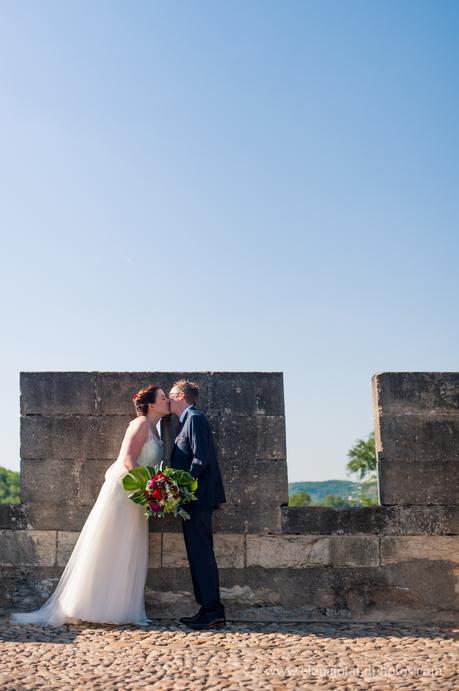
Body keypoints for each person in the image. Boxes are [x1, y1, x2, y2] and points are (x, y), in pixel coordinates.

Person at [10, 385, 169, 627]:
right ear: (151, 404)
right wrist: (150, 487)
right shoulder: (139, 424)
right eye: (163, 397)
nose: (167, 400)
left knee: (127, 549)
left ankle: (119, 608)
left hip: (140, 495)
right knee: (110, 545)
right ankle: (86, 605)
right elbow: (127, 460)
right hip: (126, 491)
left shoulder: (156, 430)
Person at [168, 379, 227, 630]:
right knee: (197, 553)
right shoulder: (186, 421)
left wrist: (180, 487)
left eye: (170, 395)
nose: (168, 400)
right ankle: (207, 609)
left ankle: (213, 610)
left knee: (201, 553)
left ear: (181, 395)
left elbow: (200, 459)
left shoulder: (195, 418)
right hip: (194, 499)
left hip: (198, 498)